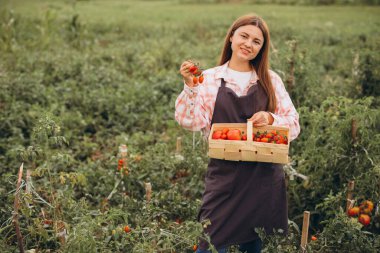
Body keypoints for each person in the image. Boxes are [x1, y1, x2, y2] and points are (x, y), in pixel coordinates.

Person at [175, 13, 300, 253]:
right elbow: (189, 121)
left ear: (261, 49)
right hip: (225, 177)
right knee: (209, 246)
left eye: (256, 41)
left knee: (252, 247)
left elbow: (293, 125)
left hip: (263, 178)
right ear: (231, 36)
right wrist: (191, 87)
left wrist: (271, 118)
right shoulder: (209, 79)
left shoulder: (270, 80)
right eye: (244, 36)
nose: (248, 44)